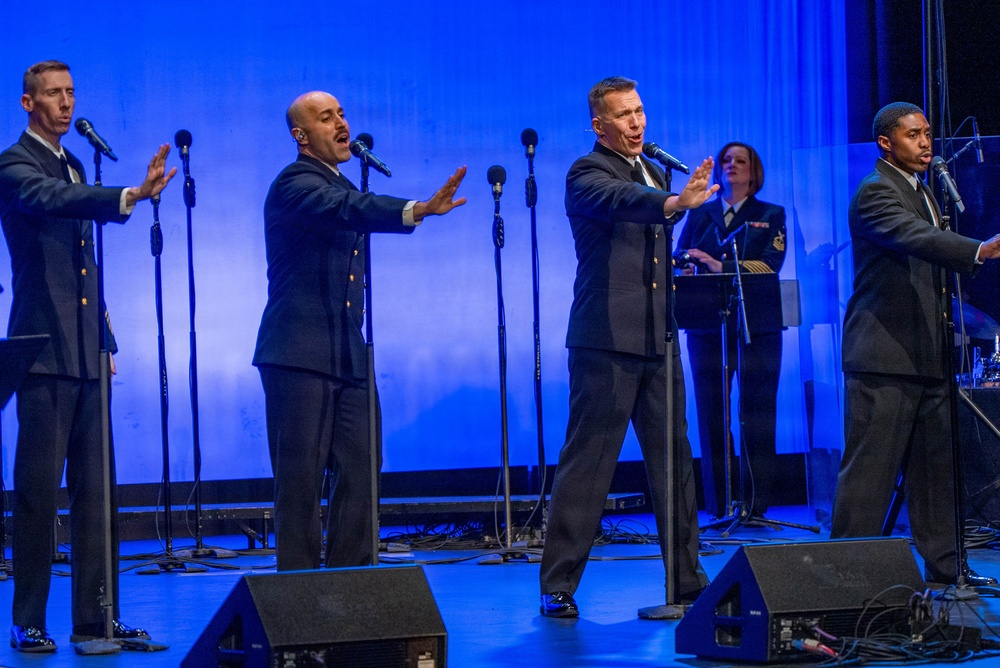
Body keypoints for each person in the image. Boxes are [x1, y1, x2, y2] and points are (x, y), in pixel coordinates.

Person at [0, 60, 175, 652]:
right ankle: (28, 618)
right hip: (43, 348)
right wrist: (128, 193)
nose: (66, 103)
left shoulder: (75, 161)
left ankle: (98, 616)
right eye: (54, 94)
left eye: (72, 92)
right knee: (37, 491)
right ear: (29, 104)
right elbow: (49, 199)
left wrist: (106, 337)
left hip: (85, 347)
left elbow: (84, 268)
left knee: (98, 491)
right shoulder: (14, 165)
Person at [252, 91, 466, 572]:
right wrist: (416, 209)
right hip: (297, 353)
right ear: (301, 136)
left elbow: (351, 205)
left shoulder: (340, 183)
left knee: (361, 469)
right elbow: (346, 209)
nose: (340, 124)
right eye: (326, 118)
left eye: (342, 114)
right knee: (301, 481)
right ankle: (300, 592)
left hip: (348, 350)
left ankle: (352, 582)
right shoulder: (295, 183)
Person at [539, 76, 717, 618]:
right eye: (623, 115)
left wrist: (671, 199)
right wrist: (671, 201)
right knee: (589, 462)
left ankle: (687, 581)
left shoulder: (654, 168)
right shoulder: (586, 171)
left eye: (639, 111)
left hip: (658, 336)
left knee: (674, 463)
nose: (637, 122)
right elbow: (623, 201)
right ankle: (558, 582)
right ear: (600, 125)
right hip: (605, 339)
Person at [831, 102, 1000, 585]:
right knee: (869, 475)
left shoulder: (922, 189)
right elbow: (912, 236)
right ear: (886, 142)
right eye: (913, 135)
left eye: (927, 133)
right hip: (883, 356)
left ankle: (947, 569)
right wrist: (978, 250)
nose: (926, 143)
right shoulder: (875, 192)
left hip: (926, 354)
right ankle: (845, 576)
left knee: (935, 474)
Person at [675, 142, 786, 518]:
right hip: (707, 328)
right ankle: (719, 504)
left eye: (741, 161)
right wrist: (690, 266)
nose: (732, 166)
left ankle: (756, 506)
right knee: (711, 416)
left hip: (759, 328)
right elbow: (681, 256)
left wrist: (715, 264)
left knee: (758, 413)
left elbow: (770, 265)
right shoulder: (701, 213)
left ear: (754, 172)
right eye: (726, 161)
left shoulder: (771, 214)